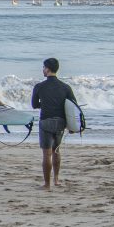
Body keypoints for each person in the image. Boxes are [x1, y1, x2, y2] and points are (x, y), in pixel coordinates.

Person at [30, 57, 79, 190]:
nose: (43, 70)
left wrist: (45, 104)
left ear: (47, 69)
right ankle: (56, 180)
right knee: (56, 151)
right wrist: (73, 126)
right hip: (60, 122)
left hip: (46, 121)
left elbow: (34, 105)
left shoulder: (39, 86)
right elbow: (73, 106)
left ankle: (47, 184)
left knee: (47, 154)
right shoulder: (65, 87)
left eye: (44, 67)